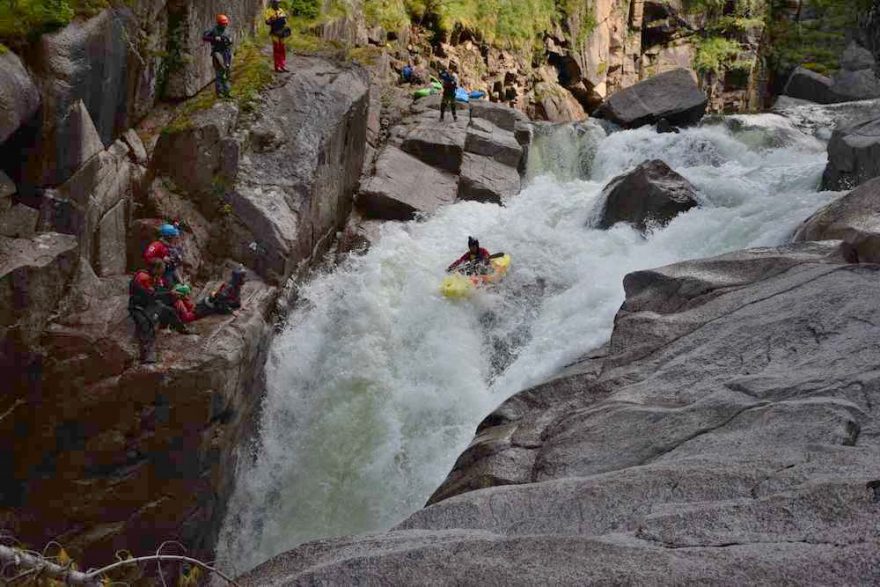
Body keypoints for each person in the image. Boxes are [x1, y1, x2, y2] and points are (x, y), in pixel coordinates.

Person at [129, 260, 187, 364]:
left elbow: (158, 290)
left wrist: (171, 293)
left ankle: (182, 329)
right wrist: (169, 293)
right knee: (147, 326)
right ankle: (147, 356)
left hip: (149, 303)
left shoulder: (153, 276)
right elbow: (151, 294)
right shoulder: (143, 277)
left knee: (169, 311)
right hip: (139, 306)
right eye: (162, 269)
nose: (163, 271)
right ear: (156, 268)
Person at [203, 14, 233, 98]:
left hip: (226, 53)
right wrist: (214, 38)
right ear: (219, 23)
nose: (224, 25)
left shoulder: (227, 31)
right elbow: (204, 37)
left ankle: (227, 91)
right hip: (217, 53)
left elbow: (230, 40)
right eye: (223, 24)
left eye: (225, 24)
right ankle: (219, 92)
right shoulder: (213, 30)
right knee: (219, 73)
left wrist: (229, 40)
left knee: (227, 72)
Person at [265, 1, 290, 73]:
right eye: (276, 3)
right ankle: (277, 66)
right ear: (272, 3)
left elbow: (285, 20)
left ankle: (283, 66)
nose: (277, 4)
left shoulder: (281, 10)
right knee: (277, 49)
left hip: (282, 32)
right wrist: (272, 19)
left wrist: (284, 19)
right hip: (274, 32)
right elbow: (267, 22)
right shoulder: (268, 11)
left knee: (282, 49)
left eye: (278, 3)